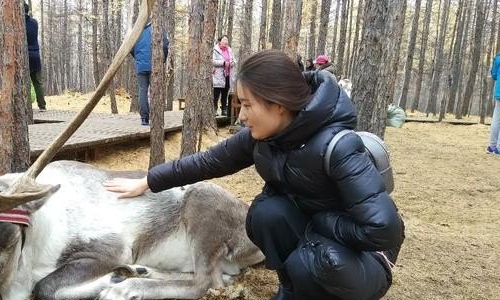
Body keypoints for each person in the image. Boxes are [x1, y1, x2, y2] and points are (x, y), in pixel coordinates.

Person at [105, 50, 404, 300]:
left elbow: (384, 231)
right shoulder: (264, 137)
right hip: (324, 243)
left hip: (367, 260)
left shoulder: (337, 146)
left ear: (278, 104)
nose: (241, 116)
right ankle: (291, 289)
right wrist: (148, 181)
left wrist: (320, 224)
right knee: (265, 214)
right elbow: (207, 162)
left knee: (308, 260)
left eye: (248, 105)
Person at [131, 21, 169, 126]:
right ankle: (156, 116)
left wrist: (139, 58)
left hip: (141, 66)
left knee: (142, 91)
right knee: (155, 90)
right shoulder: (158, 27)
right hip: (155, 65)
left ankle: (144, 118)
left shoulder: (137, 30)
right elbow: (165, 45)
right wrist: (162, 60)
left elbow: (131, 47)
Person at [24, 3, 46, 112]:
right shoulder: (34, 22)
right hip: (35, 55)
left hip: (24, 56)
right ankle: (42, 106)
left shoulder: (19, 23)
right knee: (37, 82)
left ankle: (26, 106)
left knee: (24, 82)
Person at [213, 35, 236, 116]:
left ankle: (224, 109)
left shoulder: (229, 50)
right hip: (218, 75)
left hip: (227, 74)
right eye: (224, 39)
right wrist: (223, 63)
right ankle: (214, 109)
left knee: (225, 93)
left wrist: (232, 63)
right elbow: (213, 61)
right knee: (216, 93)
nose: (226, 41)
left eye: (227, 40)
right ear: (220, 41)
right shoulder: (215, 50)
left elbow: (233, 59)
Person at [488, 53, 500, 154]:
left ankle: (492, 146)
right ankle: (499, 148)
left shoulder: (498, 57)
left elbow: (494, 75)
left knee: (496, 119)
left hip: (498, 92)